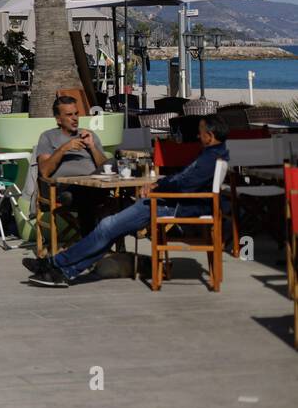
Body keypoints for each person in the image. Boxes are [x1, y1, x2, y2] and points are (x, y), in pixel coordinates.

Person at [25, 115, 231, 287]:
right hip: (168, 202)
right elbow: (181, 179)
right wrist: (158, 185)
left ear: (210, 136)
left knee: (107, 226)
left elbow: (183, 184)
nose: (197, 134)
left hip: (171, 205)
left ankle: (56, 264)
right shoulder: (213, 154)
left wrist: (156, 188)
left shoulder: (209, 159)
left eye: (201, 131)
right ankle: (63, 270)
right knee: (109, 228)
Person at [27, 95, 110, 236]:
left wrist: (92, 147)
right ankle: (90, 242)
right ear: (58, 119)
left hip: (94, 185)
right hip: (62, 190)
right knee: (87, 196)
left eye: (76, 114)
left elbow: (106, 168)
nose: (75, 118)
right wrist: (64, 148)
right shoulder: (48, 137)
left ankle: (114, 241)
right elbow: (44, 171)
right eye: (69, 115)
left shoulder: (89, 135)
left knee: (122, 195)